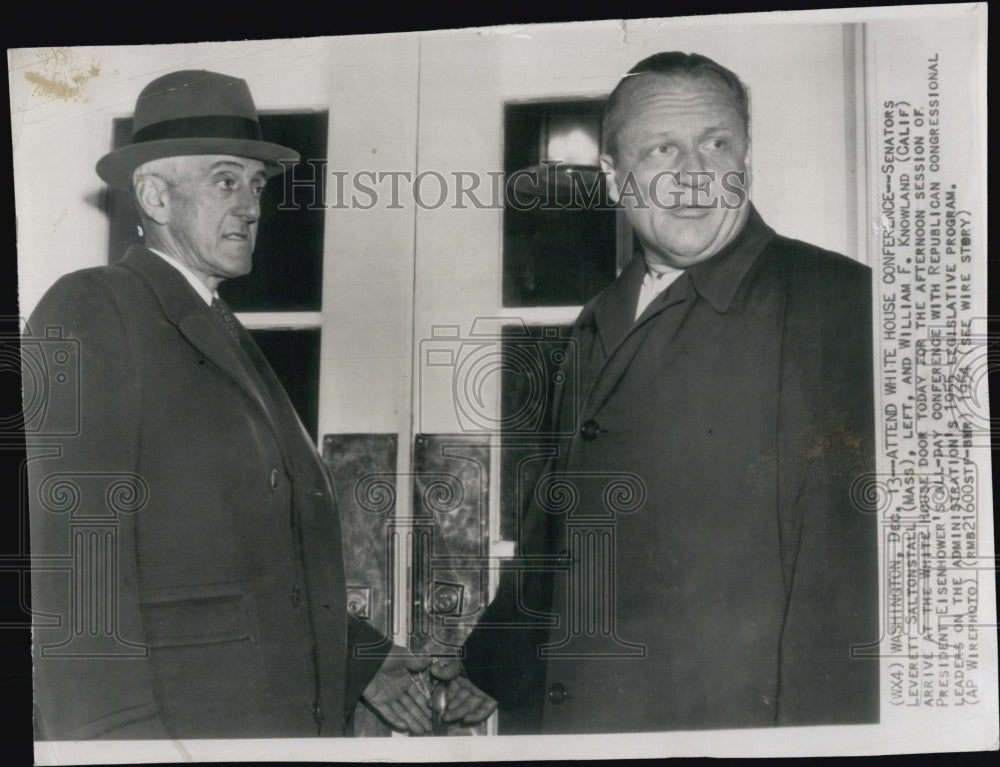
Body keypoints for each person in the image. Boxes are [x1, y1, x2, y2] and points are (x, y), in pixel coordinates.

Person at [23, 69, 493, 740]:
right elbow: (77, 572)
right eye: (224, 180)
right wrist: (115, 749)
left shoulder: (218, 326)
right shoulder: (95, 309)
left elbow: (249, 565)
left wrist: (367, 659)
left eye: (257, 184)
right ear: (153, 194)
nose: (250, 205)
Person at [462, 52, 878, 733]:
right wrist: (487, 668)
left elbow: (850, 600)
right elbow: (554, 533)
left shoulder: (840, 302)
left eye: (717, 143)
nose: (692, 174)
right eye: (661, 148)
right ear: (614, 179)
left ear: (746, 157)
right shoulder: (593, 323)